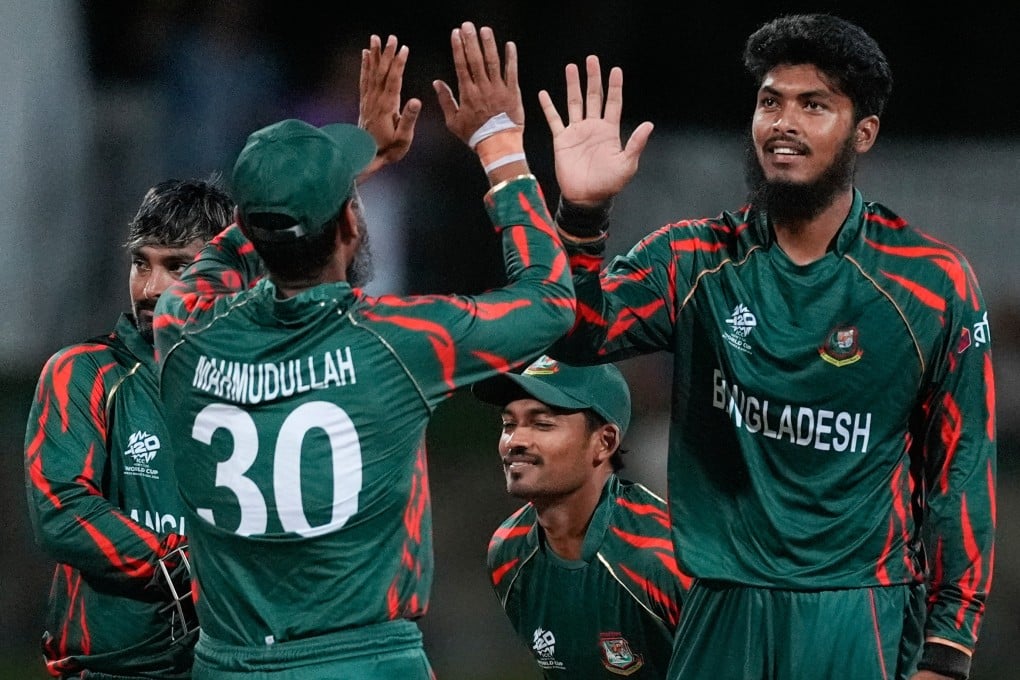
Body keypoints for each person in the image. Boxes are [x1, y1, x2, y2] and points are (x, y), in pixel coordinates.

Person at [539, 13, 996, 680]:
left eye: (814, 105)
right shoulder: (695, 259)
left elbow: (960, 467)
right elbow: (575, 335)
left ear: (864, 133)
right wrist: (582, 216)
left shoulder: (929, 284)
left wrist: (949, 646)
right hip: (722, 605)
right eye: (770, 102)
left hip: (855, 609)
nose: (784, 123)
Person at [151, 25, 574, 679]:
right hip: (365, 663)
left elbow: (228, 254)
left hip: (229, 665)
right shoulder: (401, 340)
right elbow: (549, 300)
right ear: (351, 224)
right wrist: (500, 147)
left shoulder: (182, 330)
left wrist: (322, 181)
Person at [23, 178, 234, 678]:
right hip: (113, 669)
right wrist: (182, 565)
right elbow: (61, 509)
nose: (150, 288)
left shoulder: (255, 385)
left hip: (226, 666)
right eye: (142, 263)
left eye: (177, 267)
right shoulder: (84, 371)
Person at [474, 355, 688, 678]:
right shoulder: (508, 554)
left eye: (542, 424)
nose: (515, 441)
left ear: (604, 442)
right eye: (509, 424)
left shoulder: (667, 558)